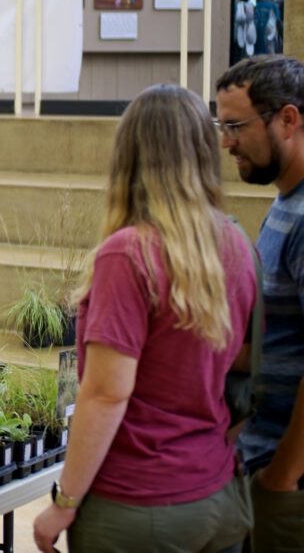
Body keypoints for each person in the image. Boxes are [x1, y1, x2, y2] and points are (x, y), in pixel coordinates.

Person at [33, 85, 255, 553]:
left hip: (139, 504)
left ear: (129, 155)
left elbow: (108, 392)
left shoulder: (129, 253)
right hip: (217, 493)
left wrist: (65, 500)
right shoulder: (235, 245)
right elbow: (246, 362)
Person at [215, 54, 304, 550]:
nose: (226, 143)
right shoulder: (285, 202)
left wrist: (283, 478)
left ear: (287, 120)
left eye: (236, 126)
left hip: (286, 482)